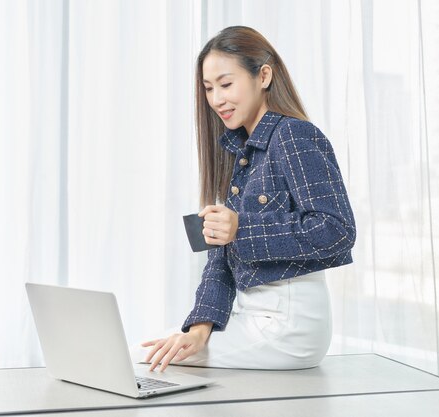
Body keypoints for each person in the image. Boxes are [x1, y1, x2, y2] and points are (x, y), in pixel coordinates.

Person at [129, 25, 356, 372]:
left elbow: (337, 229)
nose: (217, 99)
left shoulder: (293, 135)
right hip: (252, 315)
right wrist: (198, 330)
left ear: (263, 75)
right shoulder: (240, 153)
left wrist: (242, 228)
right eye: (208, 88)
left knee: (144, 360)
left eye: (225, 83)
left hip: (290, 322)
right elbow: (221, 260)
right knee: (159, 351)